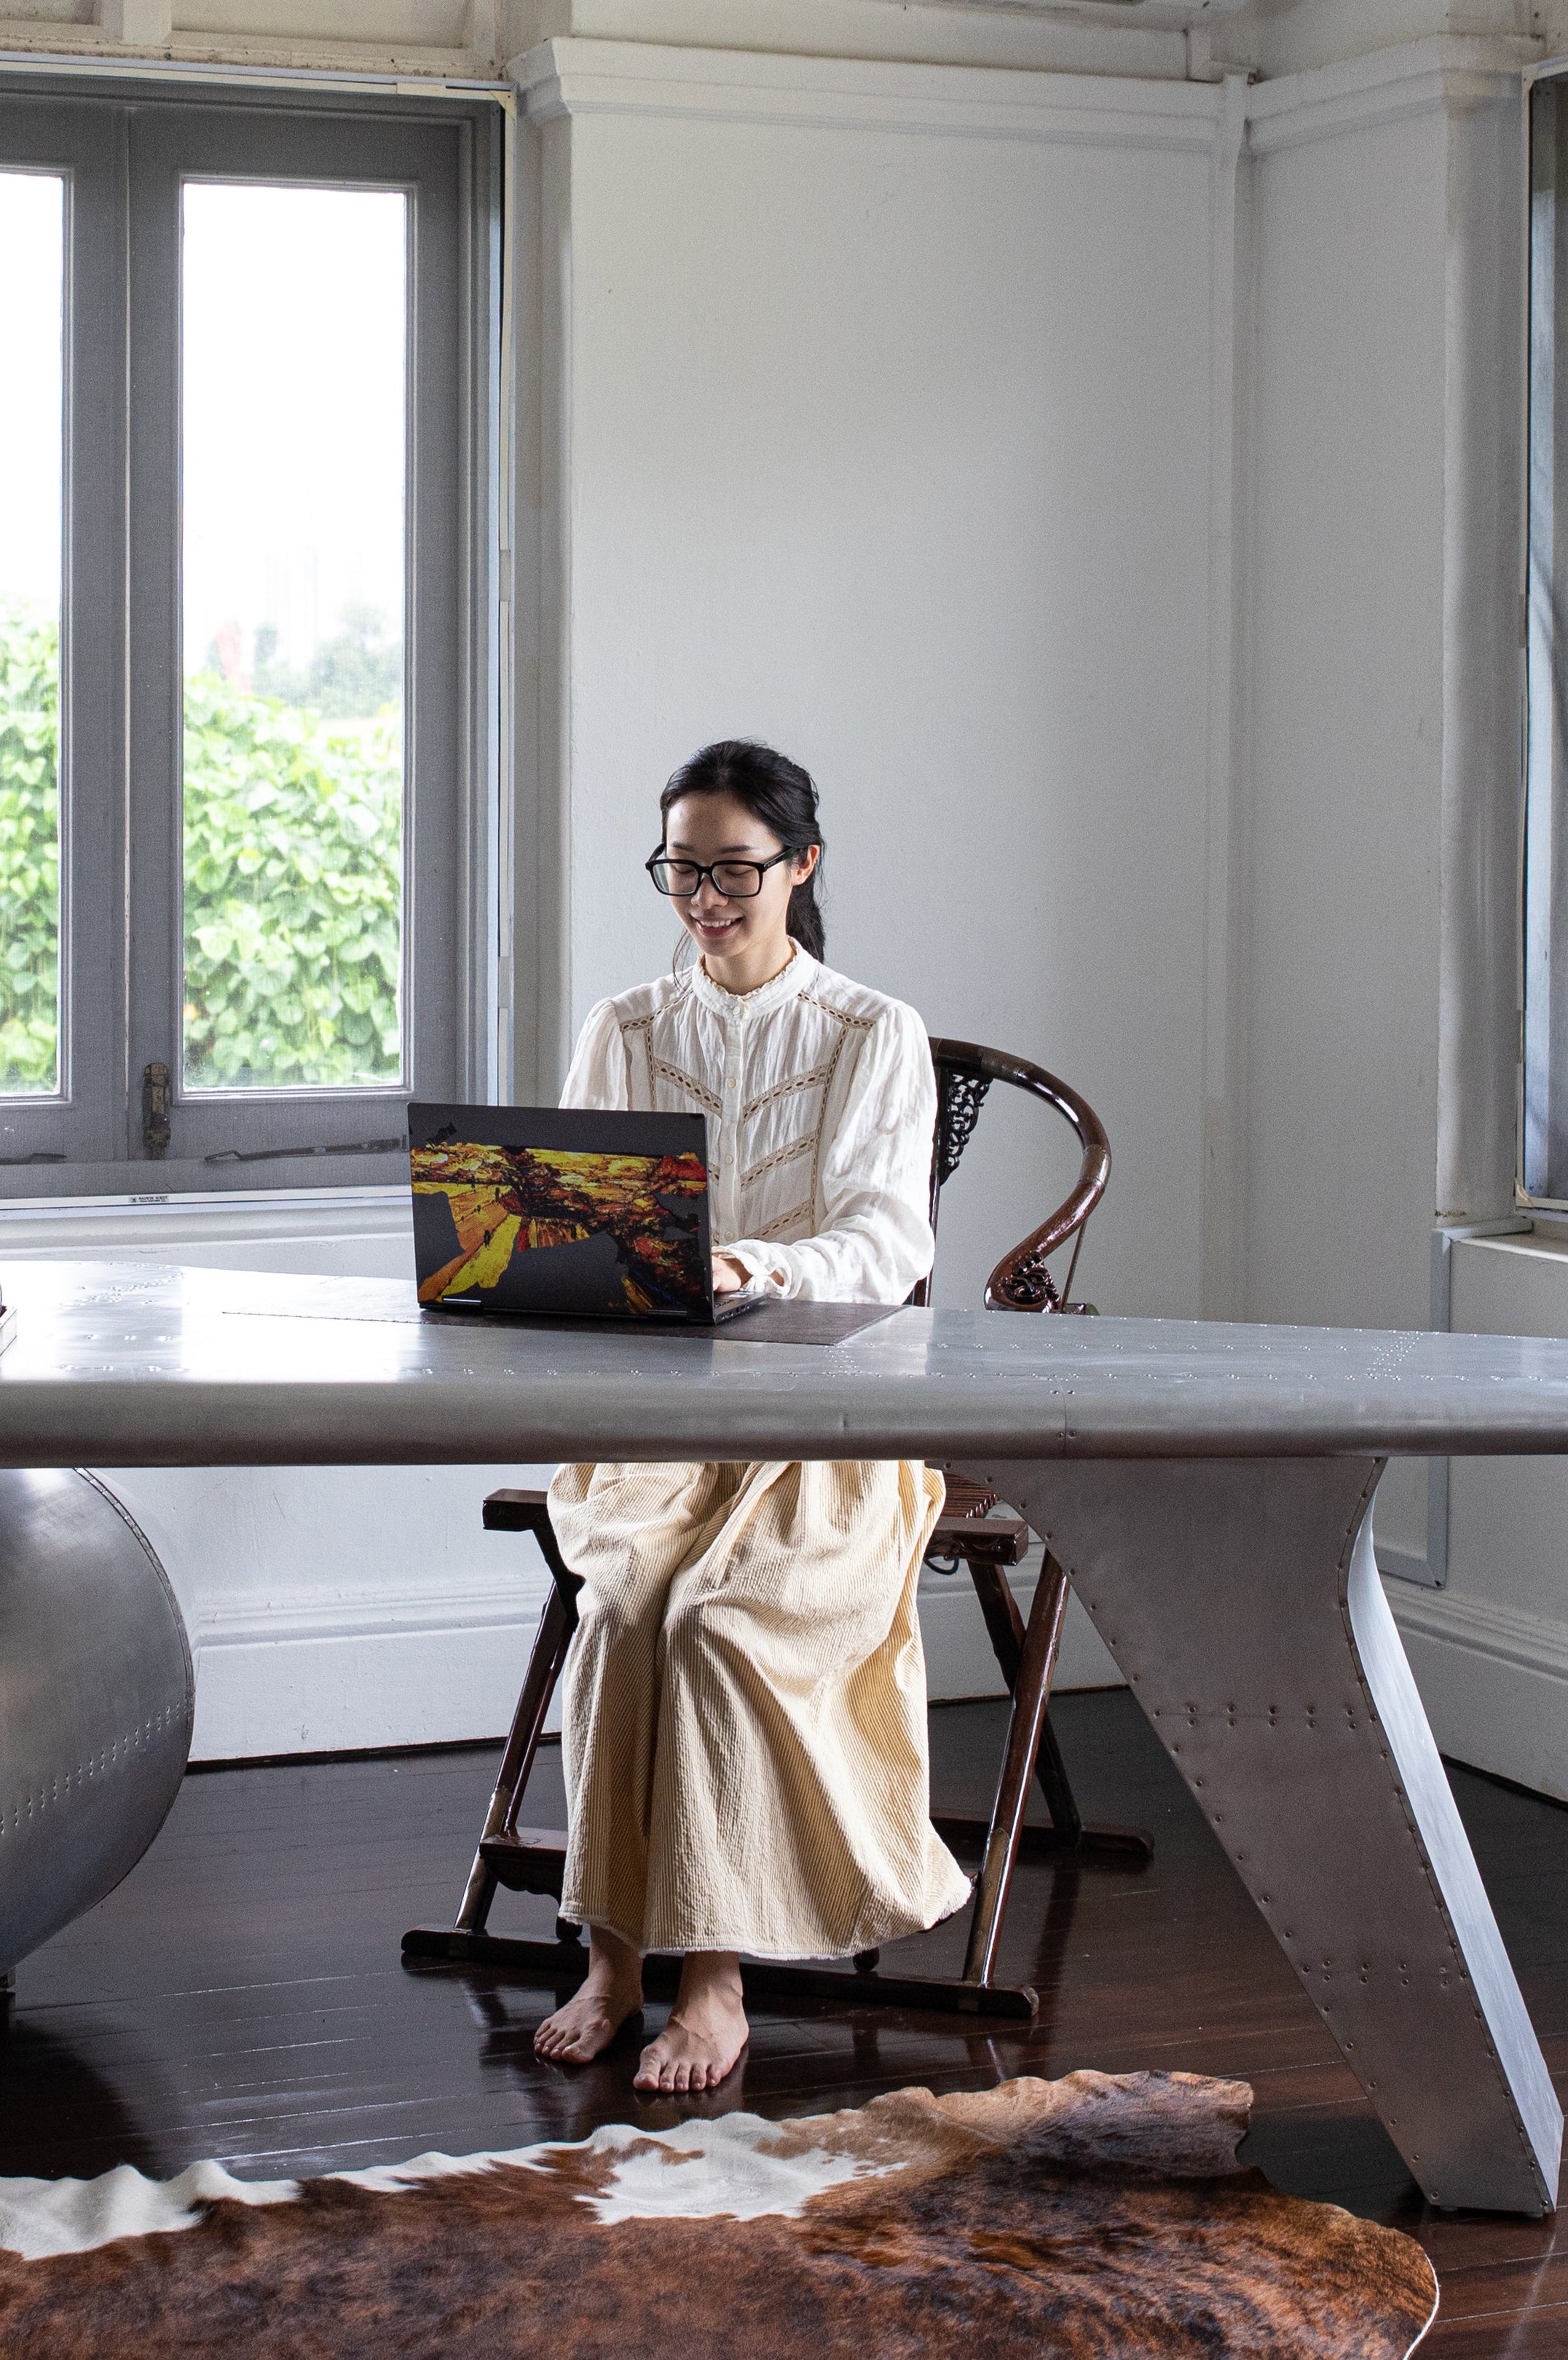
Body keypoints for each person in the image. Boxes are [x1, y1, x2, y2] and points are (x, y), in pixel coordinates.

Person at [528, 739, 971, 2094]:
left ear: (801, 866)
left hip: (830, 1419)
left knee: (720, 1623)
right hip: (657, 1418)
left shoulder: (871, 1032)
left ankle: (713, 1981)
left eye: (733, 869)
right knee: (621, 1612)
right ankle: (610, 1957)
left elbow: (886, 1243)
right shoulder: (624, 1028)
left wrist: (753, 1265)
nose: (705, 896)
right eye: (682, 869)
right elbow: (566, 1213)